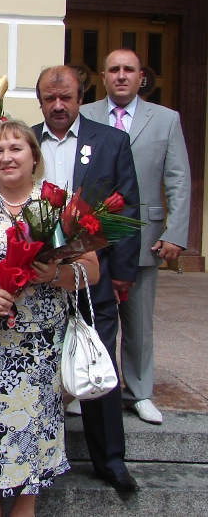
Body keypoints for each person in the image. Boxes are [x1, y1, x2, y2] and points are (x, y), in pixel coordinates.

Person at [0, 120, 100, 517]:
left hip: (38, 347)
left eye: (16, 148)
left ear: (34, 156)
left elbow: (91, 271)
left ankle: (25, 510)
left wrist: (55, 275)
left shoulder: (58, 204)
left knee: (30, 435)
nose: (7, 157)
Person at [32, 65, 142, 492]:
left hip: (90, 274)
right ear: (40, 100)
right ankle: (37, 456)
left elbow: (127, 210)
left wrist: (122, 274)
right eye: (49, 98)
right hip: (37, 277)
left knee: (99, 364)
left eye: (67, 97)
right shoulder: (24, 142)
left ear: (81, 97)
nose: (58, 106)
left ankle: (110, 459)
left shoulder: (111, 142)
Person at [79, 48, 191, 425]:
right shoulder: (85, 114)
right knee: (89, 316)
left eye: (129, 70)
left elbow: (177, 179)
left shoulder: (166, 119)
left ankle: (139, 392)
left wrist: (176, 232)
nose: (121, 76)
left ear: (142, 76)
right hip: (89, 235)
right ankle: (85, 384)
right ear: (103, 76)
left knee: (138, 321)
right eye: (114, 69)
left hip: (143, 235)